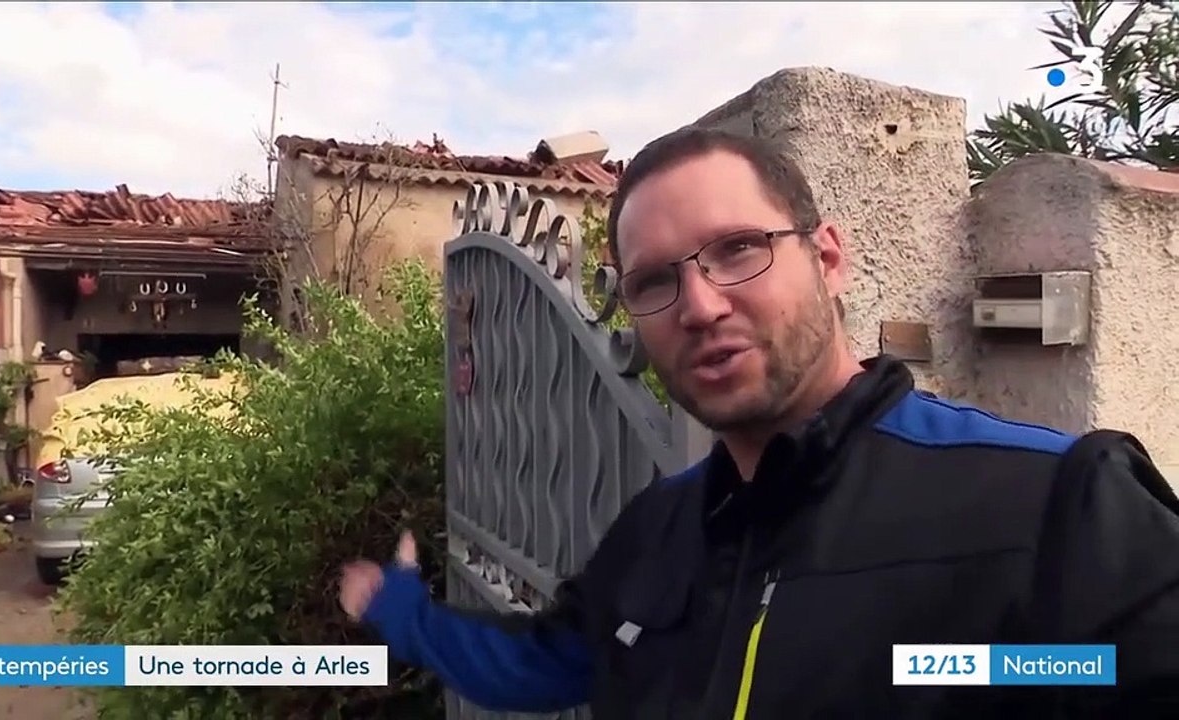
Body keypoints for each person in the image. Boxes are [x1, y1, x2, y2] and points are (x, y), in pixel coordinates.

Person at [338, 127, 1179, 718]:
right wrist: (404, 614)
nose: (700, 305)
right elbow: (545, 663)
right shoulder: (658, 532)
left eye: (739, 249)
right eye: (656, 280)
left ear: (829, 256)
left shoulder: (1055, 507)